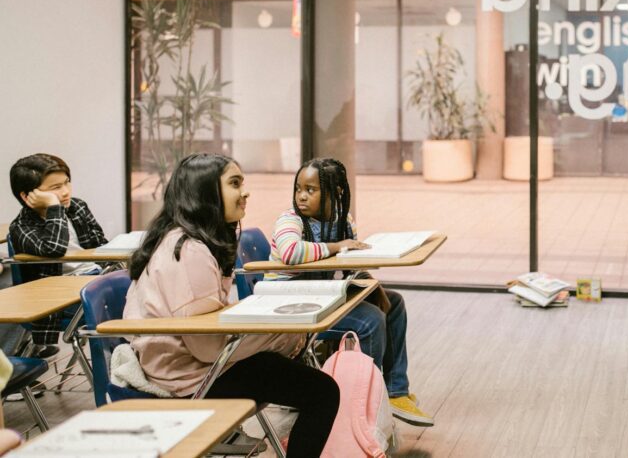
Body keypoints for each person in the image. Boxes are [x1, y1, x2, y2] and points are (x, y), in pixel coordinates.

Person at [125, 153, 339, 457]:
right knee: (322, 392)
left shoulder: (188, 240)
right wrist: (276, 336)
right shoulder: (188, 251)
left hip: (187, 365)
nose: (245, 192)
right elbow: (209, 348)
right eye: (234, 183)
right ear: (205, 191)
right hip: (190, 378)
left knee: (300, 375)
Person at [271, 157, 434, 427]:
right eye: (299, 188)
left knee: (392, 303)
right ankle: (367, 401)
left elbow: (350, 264)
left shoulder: (343, 220)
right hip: (291, 303)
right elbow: (290, 252)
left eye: (310, 190)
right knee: (370, 321)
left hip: (323, 295)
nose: (301, 196)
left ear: (335, 194)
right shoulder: (291, 219)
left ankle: (396, 392)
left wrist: (371, 285)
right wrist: (336, 247)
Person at [8, 153, 107, 357]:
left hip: (96, 279)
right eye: (55, 188)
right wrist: (54, 209)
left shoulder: (77, 207)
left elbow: (101, 244)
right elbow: (55, 249)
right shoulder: (22, 228)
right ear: (27, 196)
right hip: (62, 299)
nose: (65, 192)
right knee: (126, 305)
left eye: (67, 183)